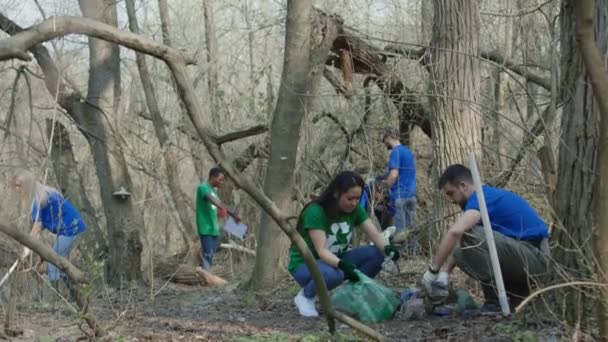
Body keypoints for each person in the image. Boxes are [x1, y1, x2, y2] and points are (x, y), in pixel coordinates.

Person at [421, 164, 550, 311]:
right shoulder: (484, 197)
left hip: (538, 257)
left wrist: (433, 271)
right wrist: (445, 273)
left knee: (470, 233)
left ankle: (495, 302)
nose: (451, 200)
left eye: (451, 193)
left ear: (463, 186)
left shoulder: (481, 198)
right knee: (460, 254)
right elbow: (463, 247)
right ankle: (515, 293)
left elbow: (456, 232)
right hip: (525, 256)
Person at [288, 171, 401, 317]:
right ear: (336, 194)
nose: (354, 202)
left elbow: (373, 234)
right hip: (305, 265)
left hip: (335, 259)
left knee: (375, 254)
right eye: (349, 198)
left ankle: (350, 295)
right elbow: (321, 251)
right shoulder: (316, 211)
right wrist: (343, 266)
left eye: (357, 198)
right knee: (336, 274)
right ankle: (305, 296)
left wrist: (387, 249)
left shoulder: (355, 209)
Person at [13, 169, 86, 296]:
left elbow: (38, 225)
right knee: (59, 263)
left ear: (27, 184)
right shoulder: (41, 193)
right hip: (69, 229)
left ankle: (57, 300)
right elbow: (42, 223)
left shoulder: (39, 197)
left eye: (19, 185)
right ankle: (76, 295)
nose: (16, 189)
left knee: (53, 263)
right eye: (15, 185)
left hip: (71, 229)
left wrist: (26, 247)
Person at [195, 167, 239, 271]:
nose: (222, 182)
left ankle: (202, 268)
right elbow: (211, 199)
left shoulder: (214, 191)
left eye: (223, 180)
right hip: (205, 227)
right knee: (209, 254)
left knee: (240, 232)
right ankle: (204, 277)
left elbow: (217, 207)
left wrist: (228, 214)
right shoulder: (203, 187)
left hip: (215, 227)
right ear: (212, 177)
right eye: (220, 179)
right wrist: (228, 211)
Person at [380, 128, 416, 249]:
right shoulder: (408, 151)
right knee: (410, 228)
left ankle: (402, 254)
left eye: (385, 141)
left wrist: (385, 189)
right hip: (411, 195)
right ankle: (413, 254)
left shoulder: (396, 152)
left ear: (389, 138)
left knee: (401, 229)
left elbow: (393, 174)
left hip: (400, 195)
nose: (385, 144)